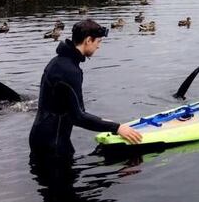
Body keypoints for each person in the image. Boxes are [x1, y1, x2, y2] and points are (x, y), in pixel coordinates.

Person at [29, 19, 142, 159]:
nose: (98, 47)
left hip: (41, 138)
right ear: (88, 40)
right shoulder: (70, 71)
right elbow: (78, 117)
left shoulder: (57, 61)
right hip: (54, 146)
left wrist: (105, 122)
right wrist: (117, 127)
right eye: (98, 42)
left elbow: (68, 110)